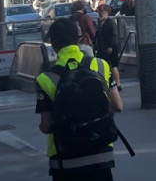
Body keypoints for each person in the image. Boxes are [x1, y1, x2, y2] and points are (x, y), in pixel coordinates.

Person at [36, 19, 123, 180]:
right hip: (101, 152)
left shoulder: (45, 78)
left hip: (64, 158)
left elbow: (46, 126)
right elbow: (118, 105)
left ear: (53, 45)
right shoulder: (100, 65)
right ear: (78, 39)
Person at [94, 5, 121, 89]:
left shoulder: (110, 22)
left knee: (113, 65)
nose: (99, 13)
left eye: (101, 11)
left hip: (110, 47)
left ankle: (118, 84)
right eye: (98, 11)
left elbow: (113, 35)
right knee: (106, 64)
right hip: (103, 47)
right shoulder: (101, 22)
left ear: (107, 12)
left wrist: (110, 46)